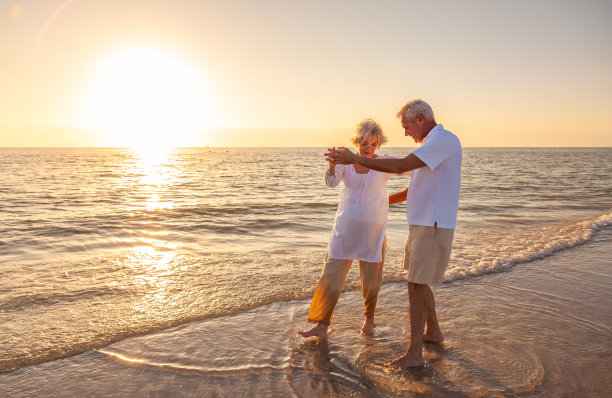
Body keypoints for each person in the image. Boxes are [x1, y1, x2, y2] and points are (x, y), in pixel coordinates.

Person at [325, 99, 461, 368]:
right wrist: (378, 202)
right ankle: (433, 332)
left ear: (420, 119)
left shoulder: (443, 140)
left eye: (407, 126)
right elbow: (412, 190)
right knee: (417, 282)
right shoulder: (430, 146)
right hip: (422, 222)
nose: (406, 132)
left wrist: (354, 158)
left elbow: (399, 167)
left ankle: (414, 355)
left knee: (415, 284)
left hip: (432, 224)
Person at [298, 119, 407, 338]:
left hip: (372, 232)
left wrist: (398, 197)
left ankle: (369, 320)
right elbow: (331, 183)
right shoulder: (345, 161)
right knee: (331, 275)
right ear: (357, 141)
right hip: (344, 229)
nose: (369, 149)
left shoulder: (385, 163)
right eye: (365, 144)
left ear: (379, 144)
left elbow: (412, 171)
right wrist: (331, 166)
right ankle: (321, 325)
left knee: (371, 279)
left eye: (374, 144)